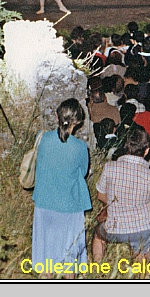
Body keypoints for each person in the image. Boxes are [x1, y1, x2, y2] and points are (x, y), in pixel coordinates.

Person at [31, 98, 92, 271]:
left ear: (58, 116)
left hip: (44, 202)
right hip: (70, 204)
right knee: (69, 257)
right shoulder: (80, 147)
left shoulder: (41, 138)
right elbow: (83, 172)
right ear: (78, 122)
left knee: (46, 255)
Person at [93, 125, 150, 262]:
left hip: (114, 228)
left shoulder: (110, 167)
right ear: (146, 150)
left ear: (126, 145)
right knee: (141, 268)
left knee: (98, 235)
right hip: (143, 228)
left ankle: (98, 269)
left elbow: (100, 195)